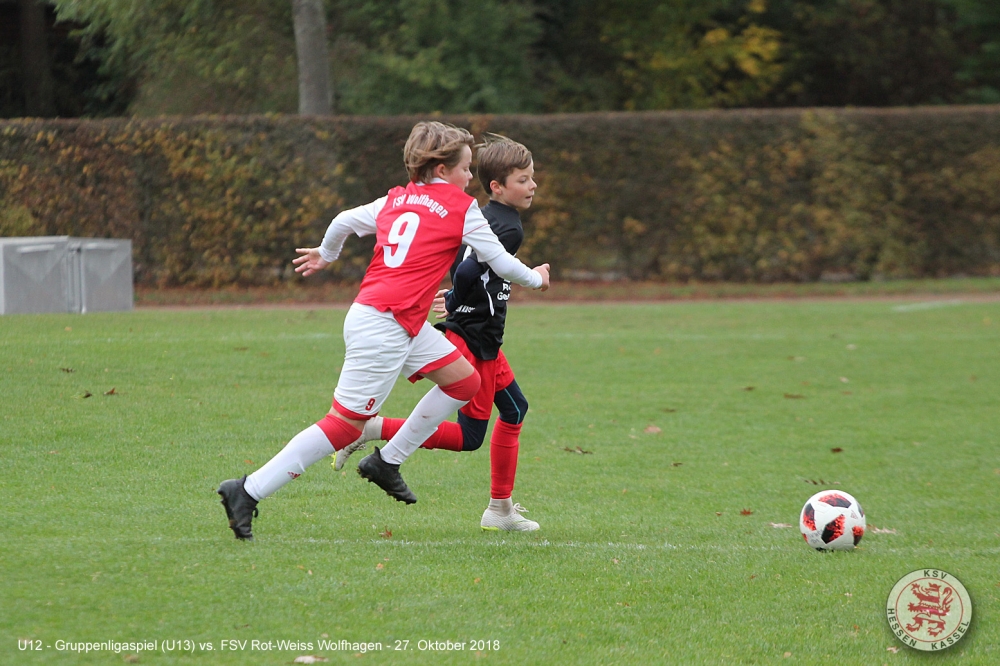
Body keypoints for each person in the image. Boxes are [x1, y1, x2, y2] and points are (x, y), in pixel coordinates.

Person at [217, 122, 550, 540]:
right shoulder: (460, 206)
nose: (471, 177)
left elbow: (342, 220)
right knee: (343, 426)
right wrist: (537, 279)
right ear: (443, 170)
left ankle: (387, 462)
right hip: (385, 326)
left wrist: (327, 254)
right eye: (466, 168)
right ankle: (247, 490)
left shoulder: (396, 198)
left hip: (393, 319)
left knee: (465, 382)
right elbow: (500, 263)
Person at [333, 134, 542, 532]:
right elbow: (468, 269)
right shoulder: (507, 227)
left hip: (482, 335)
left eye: (532, 178)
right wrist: (464, 297)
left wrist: (458, 299)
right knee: (469, 437)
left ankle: (500, 510)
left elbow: (465, 263)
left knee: (515, 409)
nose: (532, 186)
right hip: (475, 339)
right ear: (497, 186)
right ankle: (373, 428)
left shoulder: (480, 214)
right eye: (523, 179)